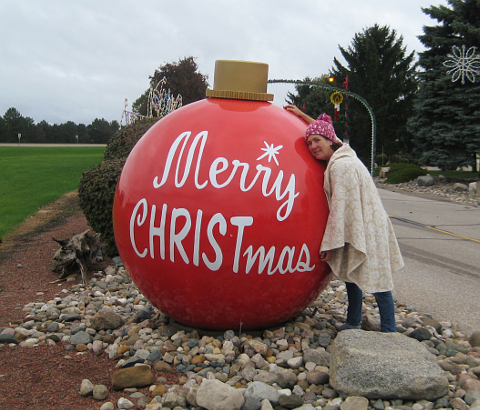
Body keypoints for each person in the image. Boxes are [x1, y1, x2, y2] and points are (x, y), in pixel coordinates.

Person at [284, 105, 404, 332]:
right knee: (352, 274)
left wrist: (330, 243)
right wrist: (301, 116)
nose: (312, 147)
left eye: (316, 141)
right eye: (309, 143)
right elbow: (328, 132)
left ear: (329, 141)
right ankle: (353, 321)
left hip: (366, 225)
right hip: (358, 224)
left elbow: (339, 209)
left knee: (378, 280)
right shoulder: (343, 152)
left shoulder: (342, 166)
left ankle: (389, 332)